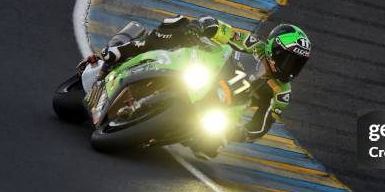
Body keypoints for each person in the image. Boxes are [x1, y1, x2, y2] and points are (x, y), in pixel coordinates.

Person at [79, 14, 311, 152]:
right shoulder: (253, 45)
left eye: (297, 64)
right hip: (204, 70)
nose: (290, 67)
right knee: (177, 25)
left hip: (216, 105)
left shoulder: (282, 93)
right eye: (288, 59)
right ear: (274, 49)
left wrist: (236, 132)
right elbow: (222, 29)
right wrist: (200, 27)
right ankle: (116, 54)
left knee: (208, 147)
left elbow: (260, 126)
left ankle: (157, 128)